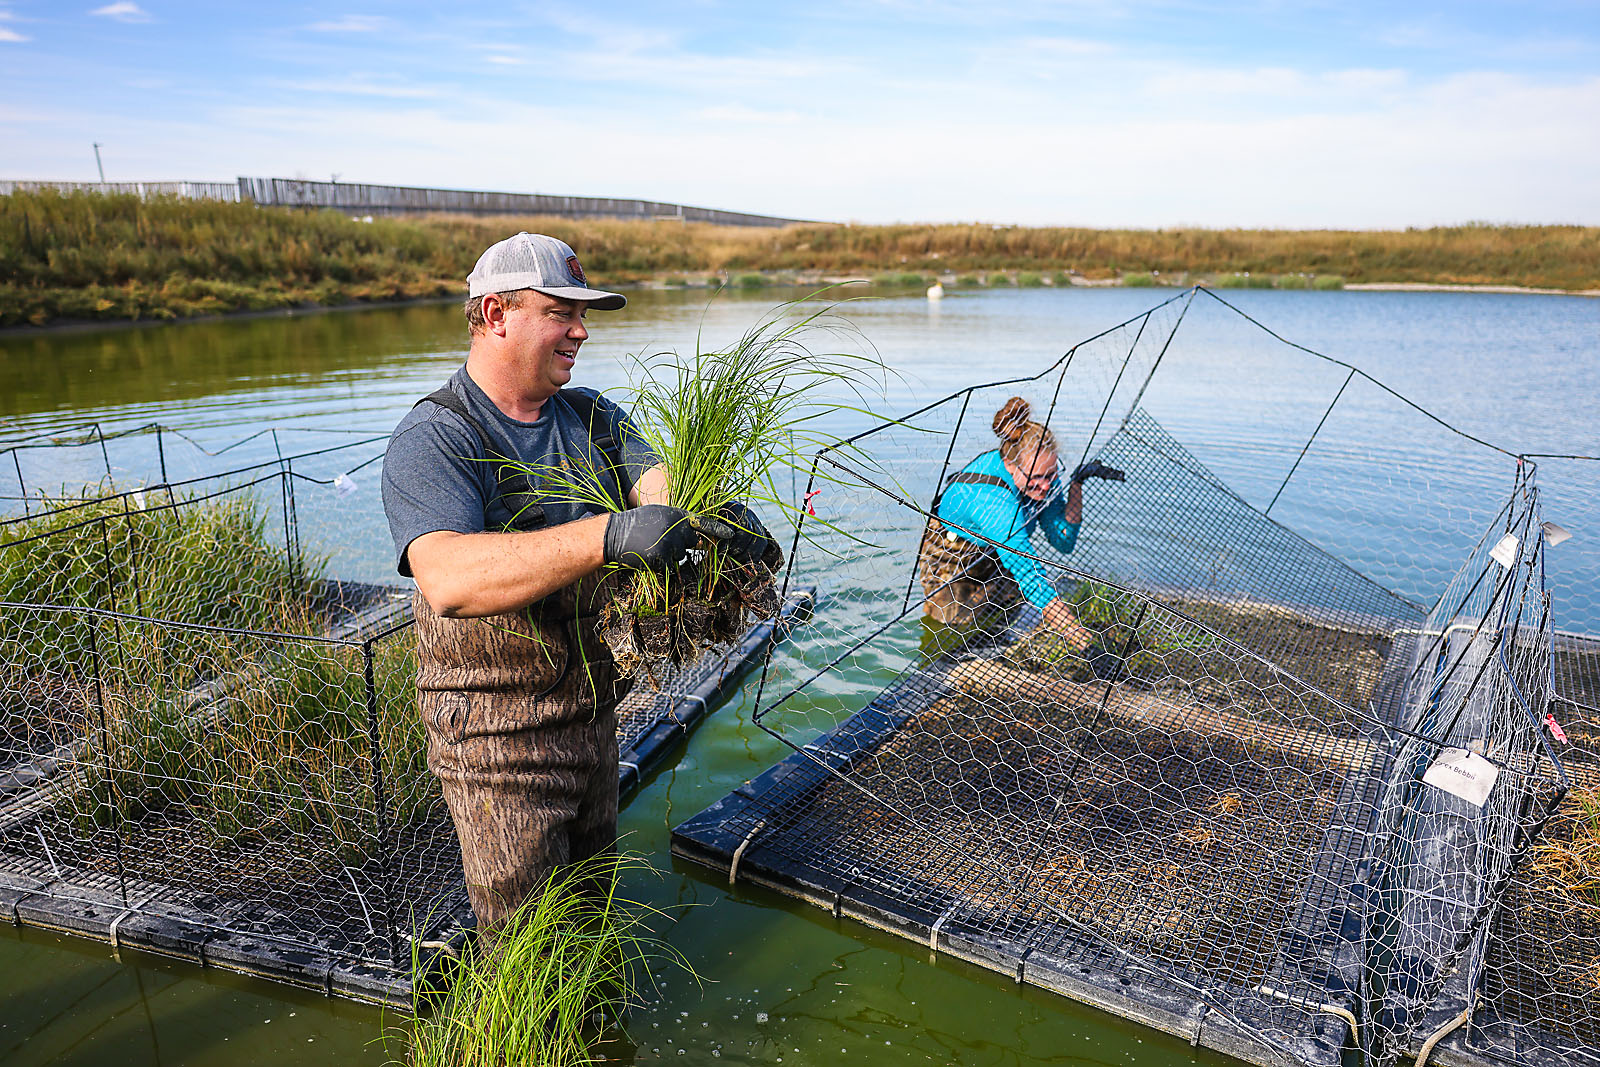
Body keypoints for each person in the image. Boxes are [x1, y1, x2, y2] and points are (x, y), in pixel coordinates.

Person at [381, 232, 772, 931]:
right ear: (496, 314)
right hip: (494, 740)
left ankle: (598, 1036)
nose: (581, 330)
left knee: (592, 919)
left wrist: (709, 519)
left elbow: (662, 487)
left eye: (582, 313)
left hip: (593, 716)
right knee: (528, 942)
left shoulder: (593, 416)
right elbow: (446, 577)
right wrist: (609, 535)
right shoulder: (439, 435)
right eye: (562, 310)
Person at [918, 395, 1123, 656]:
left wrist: (1077, 485)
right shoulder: (992, 503)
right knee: (951, 625)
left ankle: (995, 650)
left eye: (1052, 474)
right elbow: (1031, 576)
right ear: (1010, 466)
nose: (1046, 486)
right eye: (1037, 477)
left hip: (997, 547)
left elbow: (1063, 540)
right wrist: (1085, 644)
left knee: (1007, 608)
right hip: (953, 553)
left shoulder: (1044, 482)